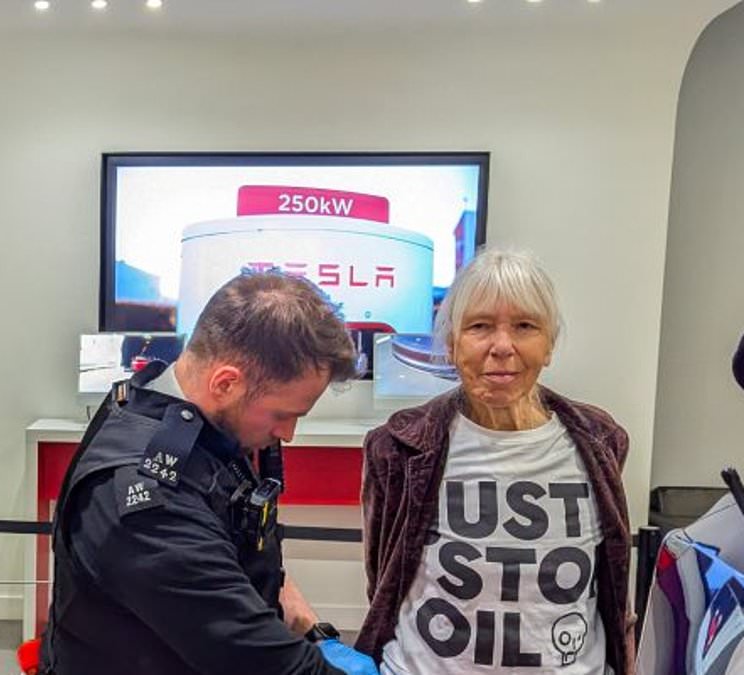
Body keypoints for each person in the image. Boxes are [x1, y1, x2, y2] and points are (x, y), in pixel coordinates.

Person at [41, 270, 378, 675]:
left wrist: (309, 627)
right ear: (225, 383)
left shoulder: (197, 421)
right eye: (282, 415)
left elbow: (244, 552)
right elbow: (258, 661)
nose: (287, 434)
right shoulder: (151, 501)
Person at [358, 249, 635, 674]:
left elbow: (612, 592)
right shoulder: (397, 449)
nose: (502, 347)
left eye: (525, 326)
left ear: (549, 344)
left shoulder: (600, 442)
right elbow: (384, 583)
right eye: (480, 326)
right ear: (452, 345)